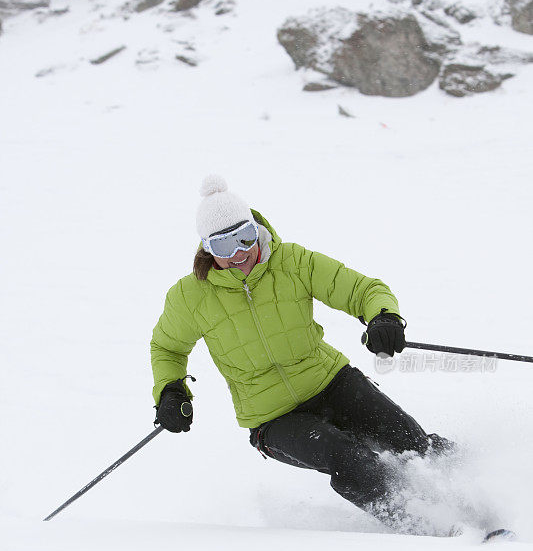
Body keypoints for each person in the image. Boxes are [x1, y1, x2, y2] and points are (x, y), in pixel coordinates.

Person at [150, 175, 451, 527]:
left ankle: (475, 492)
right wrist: (170, 391)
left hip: (331, 382)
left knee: (410, 441)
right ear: (206, 249)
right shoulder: (190, 296)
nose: (238, 254)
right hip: (273, 418)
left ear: (256, 228)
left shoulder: (292, 262)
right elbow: (167, 348)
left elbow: (362, 289)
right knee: (349, 458)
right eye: (223, 245)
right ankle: (425, 523)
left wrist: (383, 318)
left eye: (245, 237)